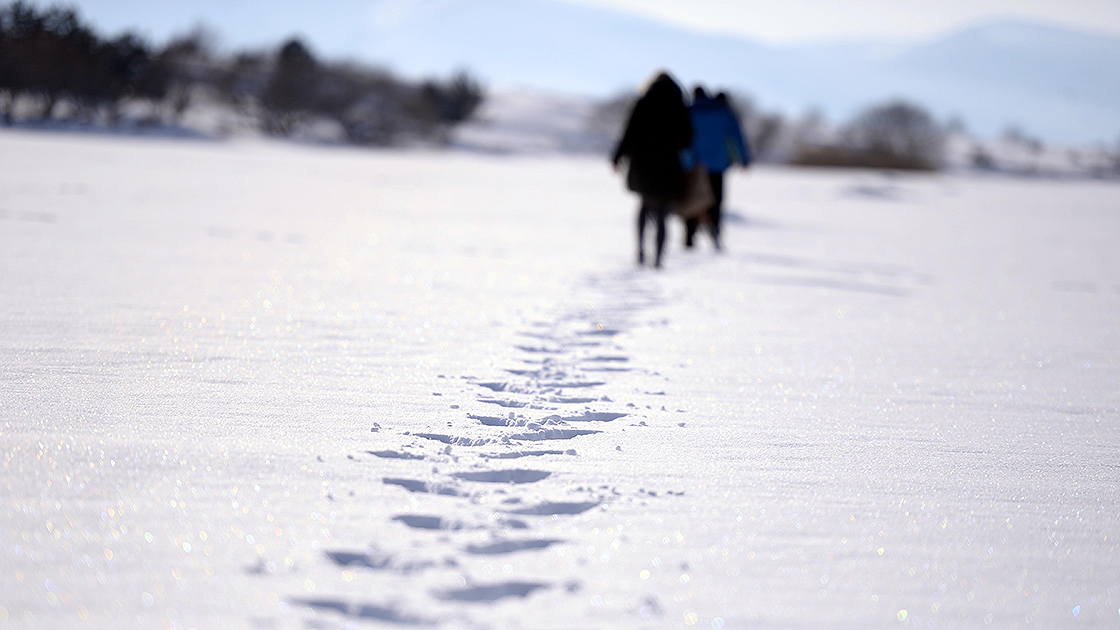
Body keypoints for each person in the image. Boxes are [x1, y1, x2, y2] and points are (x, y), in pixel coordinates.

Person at [612, 72, 693, 268]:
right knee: (662, 213)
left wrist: (618, 156)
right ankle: (658, 256)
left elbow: (629, 132)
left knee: (645, 205)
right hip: (669, 164)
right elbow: (688, 138)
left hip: (643, 162)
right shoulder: (679, 106)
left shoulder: (643, 102)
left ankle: (640, 249)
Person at [684, 88, 751, 250]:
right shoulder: (724, 112)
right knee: (716, 199)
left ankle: (689, 235)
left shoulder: (689, 112)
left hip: (694, 164)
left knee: (692, 198)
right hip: (717, 163)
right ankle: (715, 230)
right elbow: (736, 136)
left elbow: (682, 137)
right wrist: (744, 159)